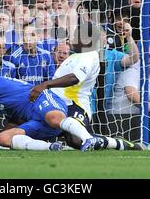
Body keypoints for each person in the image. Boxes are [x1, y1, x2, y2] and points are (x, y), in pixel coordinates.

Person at [0, 63, 104, 151]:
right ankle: (50, 148)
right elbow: (16, 117)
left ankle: (88, 138)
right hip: (36, 120)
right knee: (3, 138)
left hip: (44, 100)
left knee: (53, 119)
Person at [29, 21, 142, 151]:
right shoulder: (75, 56)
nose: (72, 39)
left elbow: (74, 78)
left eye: (76, 35)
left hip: (76, 104)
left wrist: (46, 85)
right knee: (74, 141)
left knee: (78, 139)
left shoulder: (92, 56)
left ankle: (120, 144)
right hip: (61, 103)